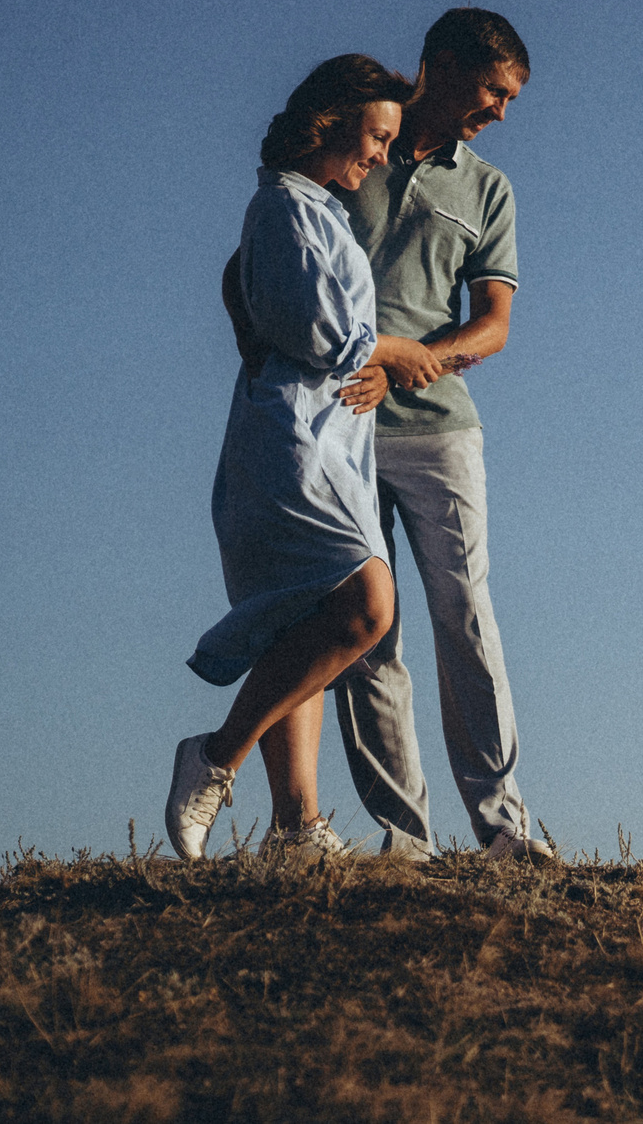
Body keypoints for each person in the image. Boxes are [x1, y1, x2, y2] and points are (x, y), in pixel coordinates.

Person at [221, 9, 548, 862]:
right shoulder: (359, 136)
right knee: (373, 636)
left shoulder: (489, 189)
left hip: (439, 429)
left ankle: (505, 829)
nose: (501, 111)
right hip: (338, 431)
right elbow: (252, 264)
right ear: (438, 65)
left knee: (467, 614)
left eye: (509, 97)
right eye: (491, 90)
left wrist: (417, 362)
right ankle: (408, 842)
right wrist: (264, 354)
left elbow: (495, 324)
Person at [167, 53, 440, 861]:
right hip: (295, 445)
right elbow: (327, 334)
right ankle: (217, 756)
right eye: (376, 134)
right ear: (329, 121)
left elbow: (253, 293)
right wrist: (393, 350)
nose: (383, 155)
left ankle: (294, 831)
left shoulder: (311, 210)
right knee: (366, 605)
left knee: (304, 618)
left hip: (323, 440)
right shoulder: (285, 207)